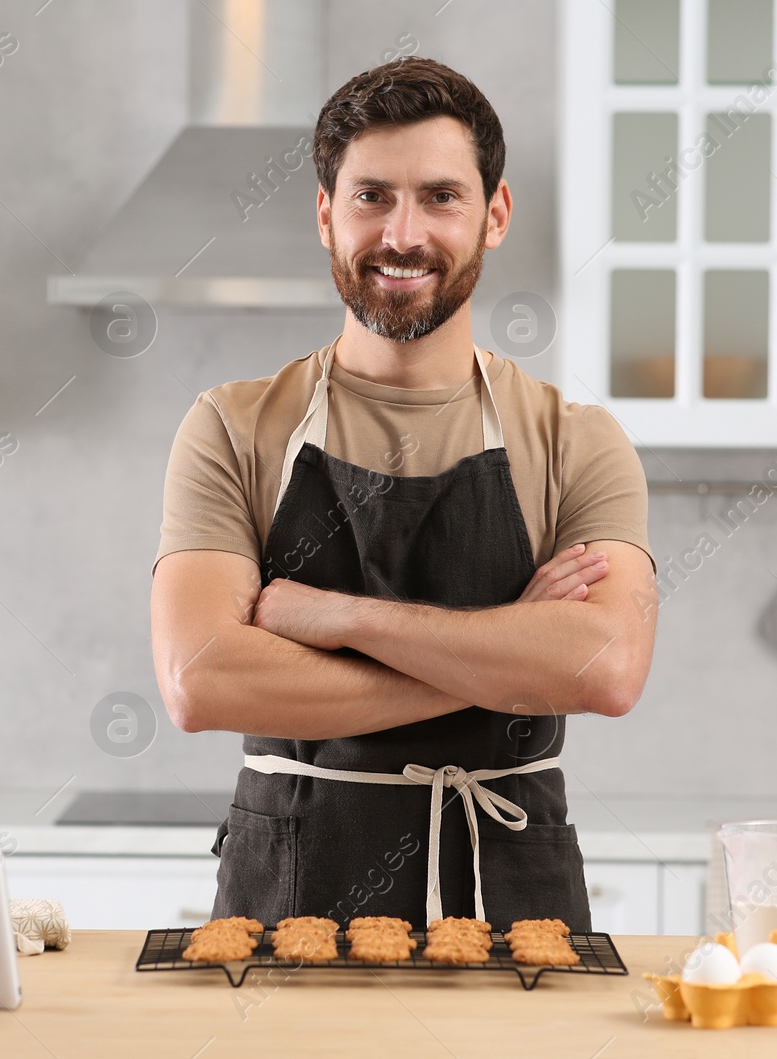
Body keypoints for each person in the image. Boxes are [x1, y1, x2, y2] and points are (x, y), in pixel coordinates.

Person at [150, 57, 657, 932]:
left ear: (495, 215)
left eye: (442, 197)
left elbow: (603, 669)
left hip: (512, 902)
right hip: (291, 898)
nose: (402, 233)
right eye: (371, 196)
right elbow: (201, 680)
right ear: (325, 213)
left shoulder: (576, 439)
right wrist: (505, 662)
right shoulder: (231, 428)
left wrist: (341, 619)